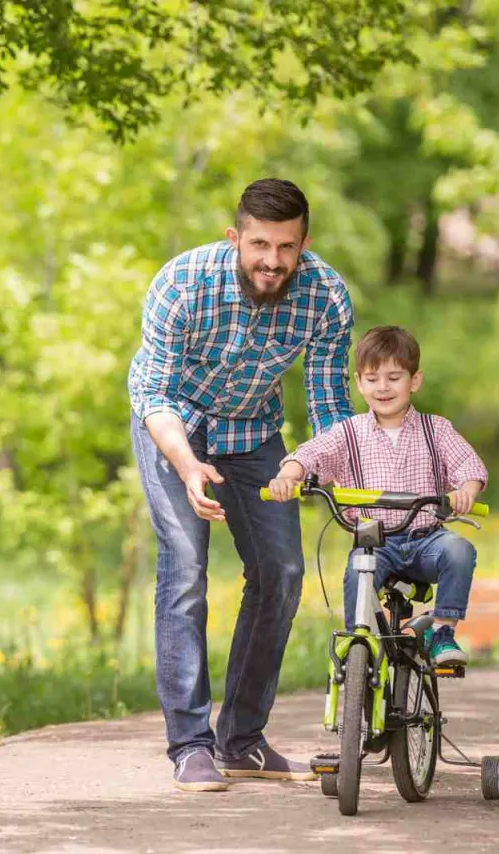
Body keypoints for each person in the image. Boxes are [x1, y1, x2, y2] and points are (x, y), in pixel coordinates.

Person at [128, 178, 355, 792]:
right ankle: (190, 744)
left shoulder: (327, 296)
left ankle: (242, 739)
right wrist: (185, 463)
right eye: (259, 244)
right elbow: (151, 393)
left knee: (282, 572)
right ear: (236, 237)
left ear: (304, 244)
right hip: (175, 426)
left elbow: (329, 402)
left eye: (286, 247)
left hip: (255, 433)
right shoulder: (182, 283)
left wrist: (333, 470)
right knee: (185, 570)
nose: (272, 261)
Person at [268, 324, 488, 664]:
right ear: (359, 383)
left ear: (414, 381)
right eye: (372, 379)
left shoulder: (436, 429)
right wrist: (288, 474)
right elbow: (312, 454)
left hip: (426, 540)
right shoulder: (349, 433)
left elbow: (468, 467)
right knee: (358, 569)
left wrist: (465, 491)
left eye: (394, 377)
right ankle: (360, 643)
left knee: (459, 550)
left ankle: (442, 632)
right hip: (376, 544)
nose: (382, 387)